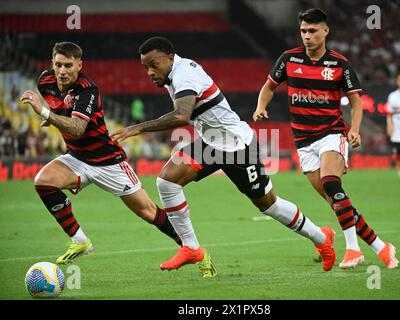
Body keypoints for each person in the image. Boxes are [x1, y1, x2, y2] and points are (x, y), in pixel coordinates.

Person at [112, 36, 337, 273]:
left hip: (238, 146)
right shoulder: (173, 73)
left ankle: (321, 238)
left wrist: (137, 128)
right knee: (167, 181)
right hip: (212, 144)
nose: (149, 71)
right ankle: (191, 248)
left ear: (170, 58)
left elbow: (181, 115)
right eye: (145, 67)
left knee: (269, 205)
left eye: (153, 64)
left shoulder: (184, 74)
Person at [20, 42, 215, 277]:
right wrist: (54, 116)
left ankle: (195, 251)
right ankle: (80, 241)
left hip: (108, 161)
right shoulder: (45, 81)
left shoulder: (87, 89)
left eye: (69, 65)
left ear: (79, 65)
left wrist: (45, 113)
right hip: (77, 158)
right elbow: (62, 110)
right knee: (43, 181)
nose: (63, 71)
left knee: (149, 212)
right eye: (58, 64)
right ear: (52, 64)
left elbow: (78, 128)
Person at [253, 8, 399, 269]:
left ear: (325, 31)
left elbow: (356, 103)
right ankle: (381, 246)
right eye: (303, 31)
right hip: (303, 143)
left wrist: (354, 130)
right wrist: (260, 106)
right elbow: (268, 87)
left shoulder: (339, 65)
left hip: (332, 134)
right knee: (338, 201)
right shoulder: (288, 59)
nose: (307, 36)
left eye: (312, 31)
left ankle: (353, 249)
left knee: (332, 184)